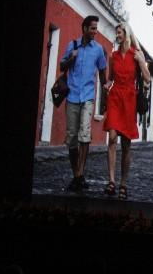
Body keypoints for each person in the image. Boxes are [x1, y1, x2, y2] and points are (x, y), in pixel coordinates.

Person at [102, 22, 150, 200]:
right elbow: (110, 79)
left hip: (129, 99)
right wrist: (106, 85)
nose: (118, 35)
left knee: (127, 145)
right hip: (115, 97)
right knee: (112, 137)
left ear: (127, 34)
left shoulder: (136, 54)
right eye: (117, 32)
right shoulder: (113, 56)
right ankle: (111, 181)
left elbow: (147, 78)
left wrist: (141, 62)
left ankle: (123, 183)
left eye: (120, 32)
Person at [61, 15, 107, 191]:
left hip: (88, 97)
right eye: (93, 28)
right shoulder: (72, 46)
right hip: (72, 97)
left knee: (85, 135)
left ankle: (79, 174)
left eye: (96, 28)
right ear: (84, 29)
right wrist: (71, 58)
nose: (95, 32)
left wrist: (106, 88)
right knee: (72, 138)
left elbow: (102, 73)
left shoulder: (98, 50)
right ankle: (77, 176)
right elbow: (61, 67)